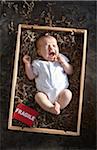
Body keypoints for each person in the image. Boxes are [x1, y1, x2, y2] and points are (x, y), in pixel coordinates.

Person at [23, 35, 73, 115]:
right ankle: (50, 108)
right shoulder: (38, 63)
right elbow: (31, 76)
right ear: (39, 52)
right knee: (38, 96)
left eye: (54, 45)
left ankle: (58, 107)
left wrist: (63, 63)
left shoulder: (61, 59)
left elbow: (70, 71)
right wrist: (27, 64)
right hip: (45, 94)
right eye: (47, 46)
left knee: (68, 94)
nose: (51, 48)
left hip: (61, 92)